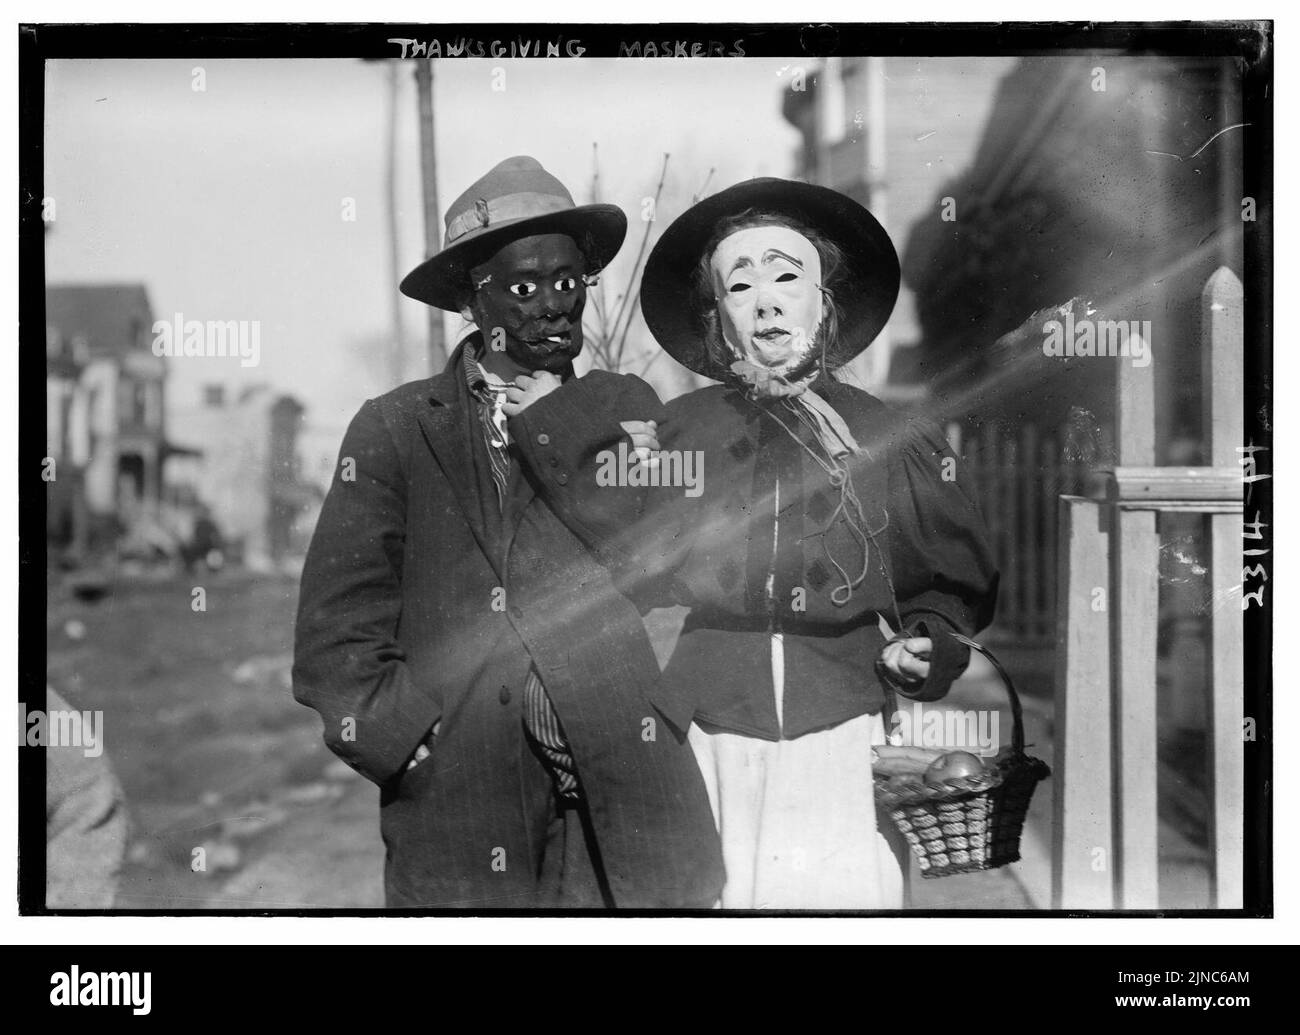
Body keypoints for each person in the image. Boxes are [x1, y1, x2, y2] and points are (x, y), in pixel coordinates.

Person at [505, 177, 999, 909]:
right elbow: (622, 548)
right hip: (708, 734)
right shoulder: (683, 433)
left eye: (787, 275)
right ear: (719, 321)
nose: (765, 298)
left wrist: (927, 640)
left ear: (824, 302)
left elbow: (943, 586)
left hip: (843, 732)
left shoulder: (886, 435)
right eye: (740, 284)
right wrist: (561, 423)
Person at [292, 156, 723, 909]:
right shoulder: (394, 430)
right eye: (524, 287)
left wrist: (554, 421)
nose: (556, 305)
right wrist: (400, 740)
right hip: (460, 792)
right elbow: (337, 627)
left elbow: (659, 554)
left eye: (571, 283)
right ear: (471, 298)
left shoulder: (626, 406)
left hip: (617, 785)